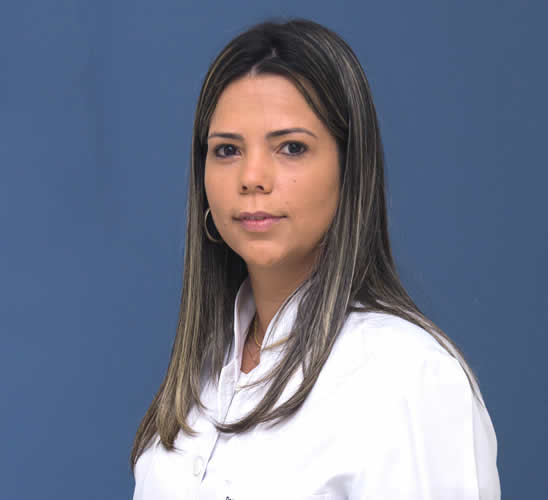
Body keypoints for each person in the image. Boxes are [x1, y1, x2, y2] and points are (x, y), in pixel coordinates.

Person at [130, 18, 501, 499]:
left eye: (291, 147)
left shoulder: (408, 377)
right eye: (227, 150)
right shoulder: (201, 377)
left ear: (350, 168)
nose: (252, 177)